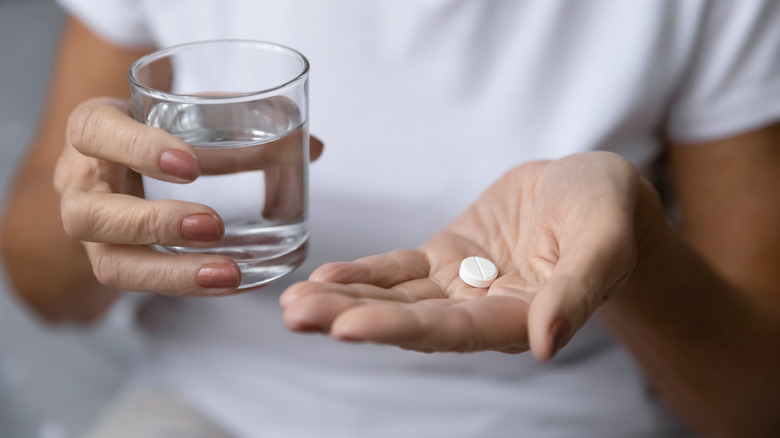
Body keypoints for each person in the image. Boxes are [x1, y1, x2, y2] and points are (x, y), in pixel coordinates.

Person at [2, 0, 779, 437]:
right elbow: (38, 288)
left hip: (550, 419)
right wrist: (103, 206)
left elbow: (755, 405)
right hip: (215, 413)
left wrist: (637, 241)